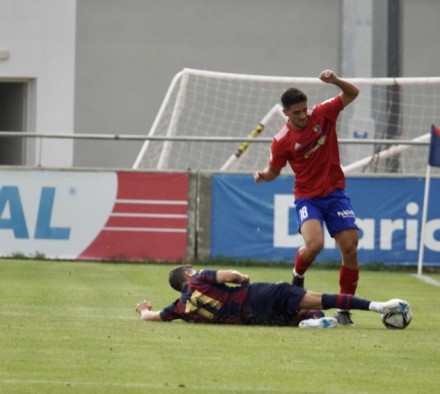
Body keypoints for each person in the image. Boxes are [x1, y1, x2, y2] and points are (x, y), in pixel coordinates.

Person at [253, 69, 361, 326]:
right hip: (307, 197)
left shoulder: (323, 113)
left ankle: (344, 308)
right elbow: (274, 171)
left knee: (350, 247)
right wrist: (263, 176)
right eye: (297, 112)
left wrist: (335, 81)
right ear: (286, 113)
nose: (303, 116)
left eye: (304, 110)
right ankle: (297, 276)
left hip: (336, 193)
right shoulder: (281, 141)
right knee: (315, 245)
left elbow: (352, 92)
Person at [134, 265, 409, 328]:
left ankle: (309, 323)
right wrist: (243, 278)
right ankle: (379, 307)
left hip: (252, 319)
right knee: (321, 298)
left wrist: (143, 309)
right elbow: (229, 276)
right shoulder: (199, 277)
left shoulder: (179, 308)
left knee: (305, 313)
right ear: (186, 275)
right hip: (257, 296)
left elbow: (151, 316)